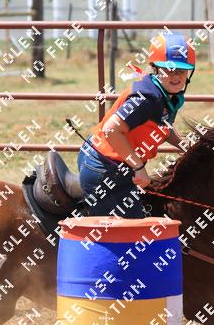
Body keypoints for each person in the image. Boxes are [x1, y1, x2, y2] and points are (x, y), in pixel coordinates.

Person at [77, 32, 196, 218]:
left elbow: (161, 125)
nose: (175, 76)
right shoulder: (147, 99)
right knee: (135, 228)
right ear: (156, 68)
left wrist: (185, 145)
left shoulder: (166, 95)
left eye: (181, 71)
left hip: (114, 163)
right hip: (105, 167)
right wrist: (139, 168)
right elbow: (111, 129)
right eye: (169, 70)